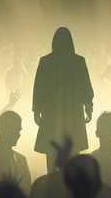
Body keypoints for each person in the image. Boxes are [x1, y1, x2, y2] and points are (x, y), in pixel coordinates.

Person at [31, 27, 94, 171]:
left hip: (51, 114)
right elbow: (86, 88)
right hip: (74, 115)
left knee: (51, 155)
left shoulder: (45, 61)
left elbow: (38, 88)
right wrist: (89, 108)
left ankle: (52, 186)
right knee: (73, 153)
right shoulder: (79, 61)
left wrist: (36, 110)